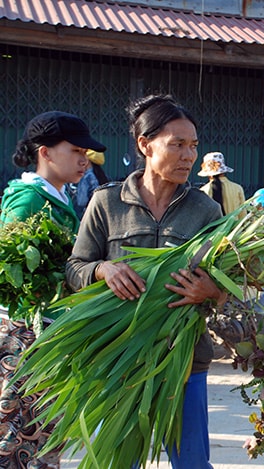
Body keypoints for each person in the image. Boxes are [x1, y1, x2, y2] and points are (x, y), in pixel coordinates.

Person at [65, 95, 228, 469]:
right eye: (177, 145)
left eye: (193, 146)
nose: (189, 156)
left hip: (184, 361)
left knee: (192, 464)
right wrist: (102, 270)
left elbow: (230, 285)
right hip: (121, 359)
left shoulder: (207, 210)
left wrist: (211, 292)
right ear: (145, 144)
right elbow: (75, 268)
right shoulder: (107, 202)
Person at [0, 110, 105, 469]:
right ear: (44, 152)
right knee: (18, 435)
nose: (83, 160)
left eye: (85, 153)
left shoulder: (57, 198)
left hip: (46, 333)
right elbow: (10, 271)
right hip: (24, 337)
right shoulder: (28, 200)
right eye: (75, 150)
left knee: (40, 436)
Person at [198, 151, 245, 216]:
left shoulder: (203, 191)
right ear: (223, 171)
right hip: (234, 226)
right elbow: (243, 214)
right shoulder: (237, 188)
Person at [73, 149, 110, 219]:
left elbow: (81, 202)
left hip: (88, 217)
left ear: (88, 160)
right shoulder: (102, 176)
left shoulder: (87, 177)